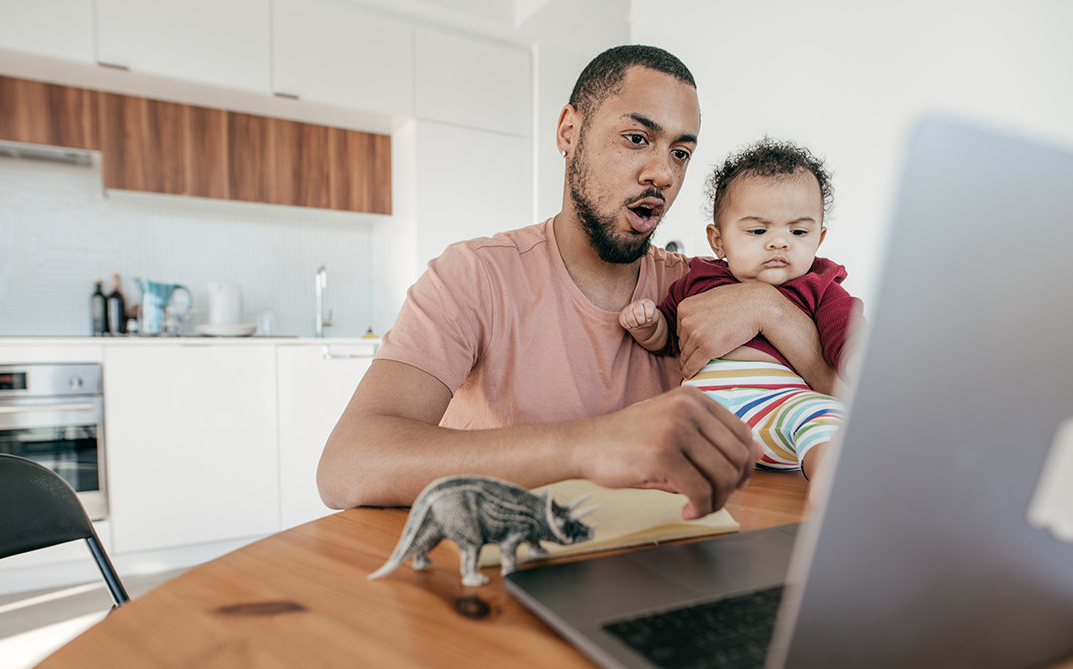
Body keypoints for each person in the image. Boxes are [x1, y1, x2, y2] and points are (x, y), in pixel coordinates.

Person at [318, 46, 836, 519]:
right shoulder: (476, 275)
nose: (662, 174)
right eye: (637, 139)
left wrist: (771, 309)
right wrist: (590, 445)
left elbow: (844, 411)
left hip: (658, 569)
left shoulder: (706, 288)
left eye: (680, 153)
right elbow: (348, 464)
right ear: (569, 132)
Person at [619, 139, 865, 481]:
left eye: (798, 231)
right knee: (639, 419)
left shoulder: (821, 286)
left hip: (782, 407)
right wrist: (649, 326)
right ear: (718, 241)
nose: (779, 242)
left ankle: (834, 487)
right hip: (703, 408)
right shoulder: (699, 280)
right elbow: (669, 336)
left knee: (826, 419)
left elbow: (846, 329)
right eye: (758, 230)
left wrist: (859, 359)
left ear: (819, 239)